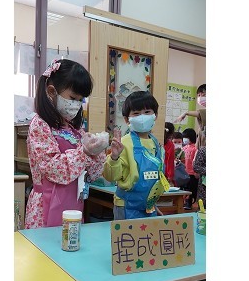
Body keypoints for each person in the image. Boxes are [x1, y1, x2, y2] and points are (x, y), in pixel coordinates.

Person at [25, 58, 107, 229]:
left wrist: (97, 152)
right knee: (46, 246)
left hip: (73, 205)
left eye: (80, 100)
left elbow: (92, 175)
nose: (76, 105)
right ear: (51, 91)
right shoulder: (40, 125)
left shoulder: (75, 130)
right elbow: (52, 169)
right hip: (45, 206)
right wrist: (84, 153)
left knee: (71, 242)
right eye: (73, 98)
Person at [103, 91, 169, 220]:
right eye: (136, 113)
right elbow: (111, 177)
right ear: (127, 119)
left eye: (147, 112)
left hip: (149, 206)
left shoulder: (156, 143)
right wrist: (114, 158)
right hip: (127, 206)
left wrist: (153, 204)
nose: (142, 117)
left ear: (155, 115)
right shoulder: (124, 143)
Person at [181, 128, 198, 210]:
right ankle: (183, 202)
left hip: (192, 173)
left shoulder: (195, 148)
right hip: (184, 172)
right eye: (184, 137)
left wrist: (196, 172)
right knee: (184, 188)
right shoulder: (184, 148)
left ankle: (189, 202)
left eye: (186, 137)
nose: (184, 139)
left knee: (191, 189)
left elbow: (196, 161)